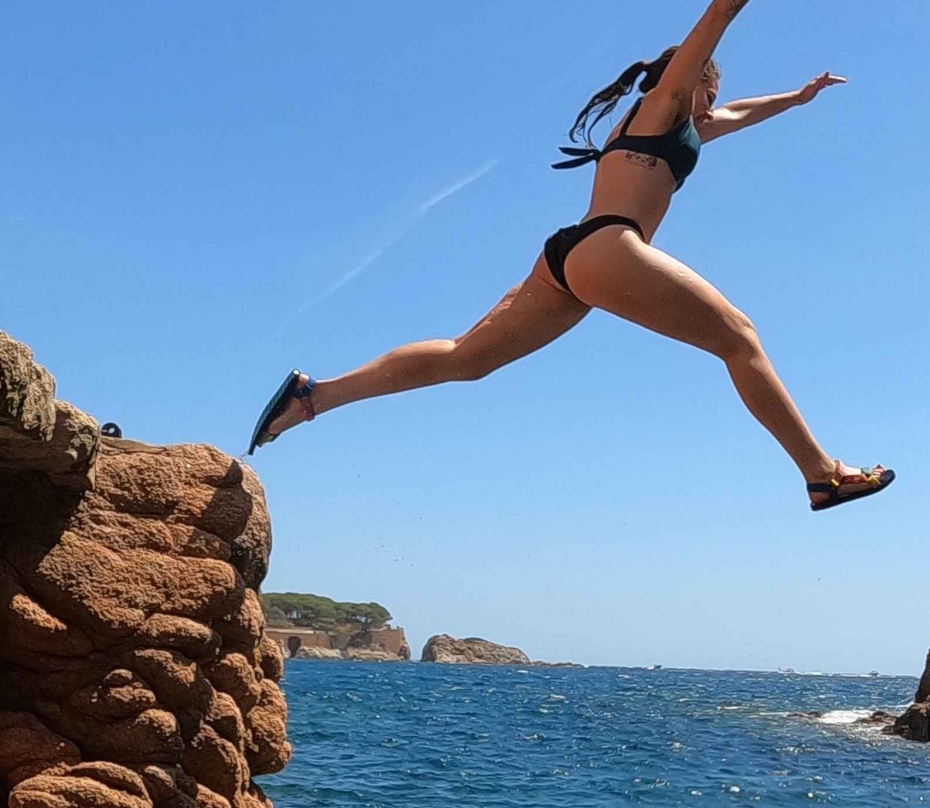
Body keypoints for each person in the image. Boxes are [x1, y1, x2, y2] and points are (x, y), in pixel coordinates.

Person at [249, 0, 894, 512]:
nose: (712, 106)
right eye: (708, 90)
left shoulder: (670, 123)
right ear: (693, 80)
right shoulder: (666, 102)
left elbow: (743, 112)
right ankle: (821, 474)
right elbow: (719, 14)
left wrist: (798, 99)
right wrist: (723, 18)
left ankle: (315, 397)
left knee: (466, 359)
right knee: (740, 339)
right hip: (609, 246)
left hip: (569, 257)